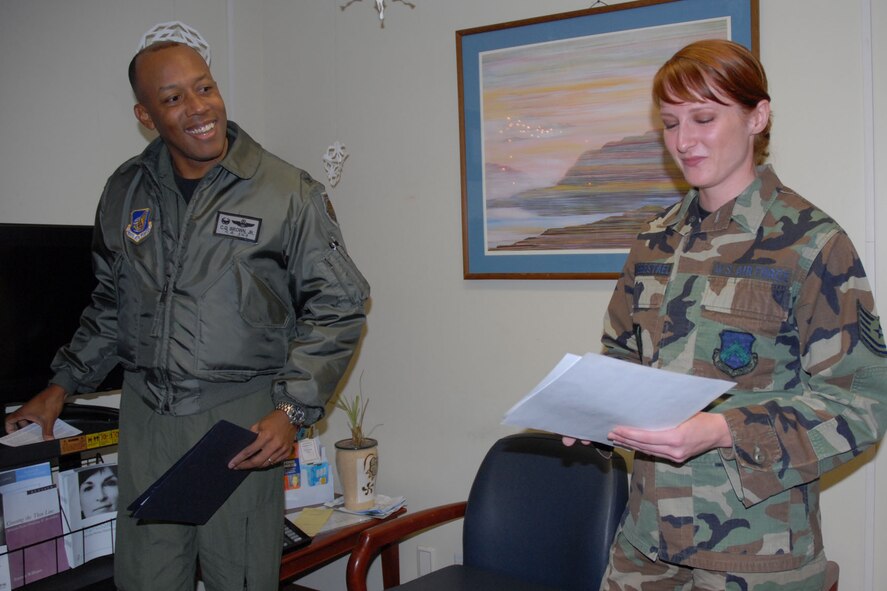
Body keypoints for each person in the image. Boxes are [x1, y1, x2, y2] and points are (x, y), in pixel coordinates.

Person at [4, 38, 369, 590]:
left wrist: (292, 410)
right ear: (145, 116)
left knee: (239, 577)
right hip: (147, 415)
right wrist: (62, 383)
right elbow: (110, 304)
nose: (199, 107)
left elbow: (340, 304)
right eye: (174, 98)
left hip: (239, 418)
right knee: (146, 577)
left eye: (206, 88)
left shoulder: (286, 192)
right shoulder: (126, 190)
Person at [567, 39, 887, 590]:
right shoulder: (654, 240)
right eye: (670, 123)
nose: (683, 141)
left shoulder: (812, 243)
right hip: (646, 541)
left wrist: (722, 430)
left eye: (704, 118)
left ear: (758, 116)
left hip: (758, 551)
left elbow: (863, 404)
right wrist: (592, 413)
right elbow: (621, 354)